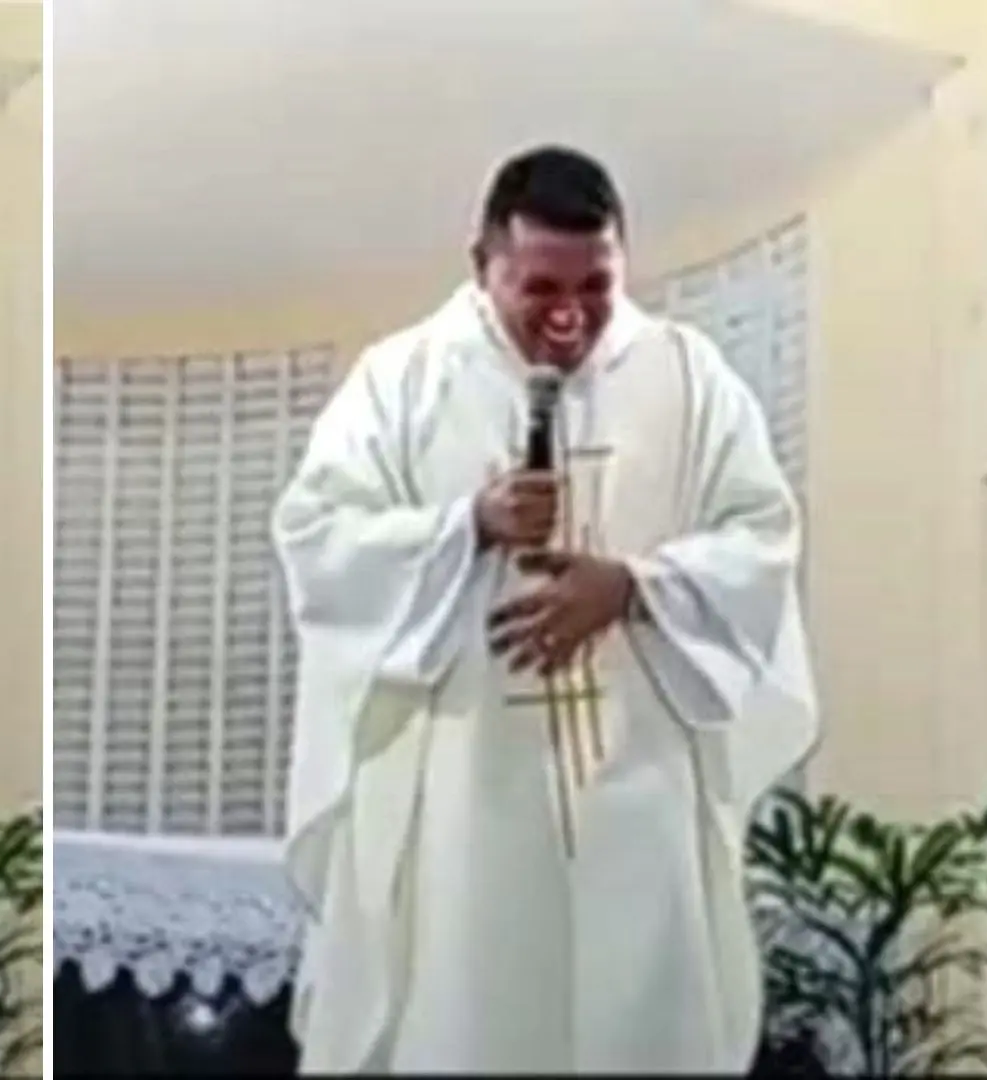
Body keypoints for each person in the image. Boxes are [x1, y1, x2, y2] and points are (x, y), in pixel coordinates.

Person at [273, 145, 819, 1073]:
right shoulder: (402, 381)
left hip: (641, 787)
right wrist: (465, 526)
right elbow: (317, 540)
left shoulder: (690, 378)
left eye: (596, 285)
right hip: (467, 797)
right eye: (540, 288)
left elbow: (762, 535)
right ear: (482, 265)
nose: (570, 315)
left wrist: (633, 587)